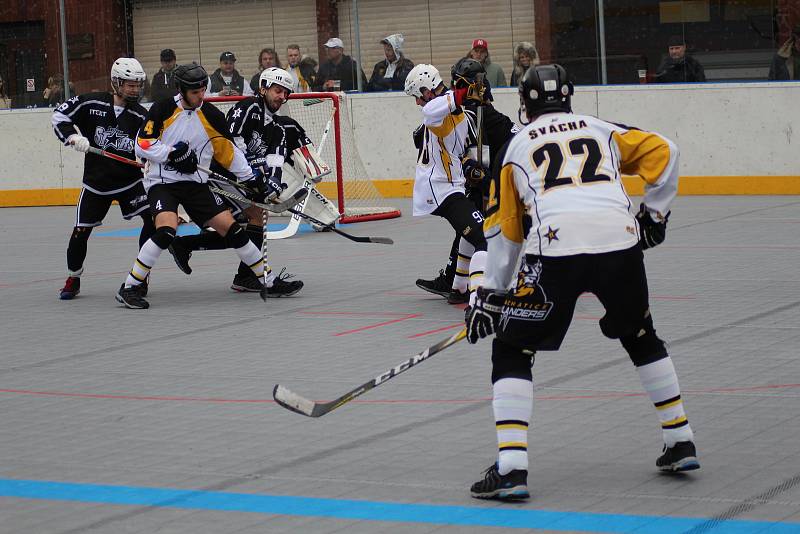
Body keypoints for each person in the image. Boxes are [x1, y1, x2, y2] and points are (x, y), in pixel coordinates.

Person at [465, 64, 698, 501]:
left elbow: (504, 232)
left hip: (556, 253)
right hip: (620, 243)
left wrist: (490, 293)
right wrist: (654, 214)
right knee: (641, 335)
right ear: (569, 96)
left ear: (525, 102)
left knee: (513, 348)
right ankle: (680, 438)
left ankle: (512, 468)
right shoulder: (602, 127)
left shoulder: (516, 145)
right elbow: (667, 152)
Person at [116, 63, 279, 309]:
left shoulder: (211, 115)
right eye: (195, 92)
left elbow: (229, 153)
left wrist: (252, 179)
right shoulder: (163, 108)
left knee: (233, 230)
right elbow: (142, 145)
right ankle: (130, 287)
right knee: (166, 231)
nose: (201, 96)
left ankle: (268, 281)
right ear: (181, 90)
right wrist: (173, 154)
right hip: (163, 183)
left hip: (196, 184)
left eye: (203, 90)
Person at [167, 67, 307, 297]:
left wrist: (272, 182)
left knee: (244, 228)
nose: (282, 97)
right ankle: (251, 277)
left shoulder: (279, 128)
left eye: (286, 93)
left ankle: (193, 249)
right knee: (247, 222)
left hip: (242, 181)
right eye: (278, 90)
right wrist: (254, 175)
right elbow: (231, 142)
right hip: (219, 175)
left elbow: (275, 161)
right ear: (263, 88)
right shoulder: (249, 107)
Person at [416, 58, 517, 304]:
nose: (454, 87)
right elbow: (429, 132)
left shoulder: (489, 117)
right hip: (462, 185)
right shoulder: (457, 110)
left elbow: (516, 146)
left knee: (484, 233)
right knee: (473, 232)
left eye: (459, 83)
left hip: (495, 183)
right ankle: (459, 284)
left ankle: (463, 285)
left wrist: (490, 179)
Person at [51, 58, 153, 300]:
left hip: (131, 181)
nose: (135, 90)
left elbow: (151, 144)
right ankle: (73, 276)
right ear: (116, 82)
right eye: (130, 85)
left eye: (138, 85)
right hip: (96, 182)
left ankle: (140, 277)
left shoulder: (141, 115)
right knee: (80, 232)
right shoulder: (91, 102)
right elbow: (59, 117)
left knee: (152, 222)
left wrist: (150, 162)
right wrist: (73, 138)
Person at [404, 64, 488, 306]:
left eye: (417, 97)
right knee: (486, 238)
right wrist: (462, 94)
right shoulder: (436, 110)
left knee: (470, 233)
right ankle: (480, 298)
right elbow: (430, 112)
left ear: (425, 89)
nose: (418, 103)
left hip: (452, 187)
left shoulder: (455, 109)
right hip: (440, 190)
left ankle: (459, 288)